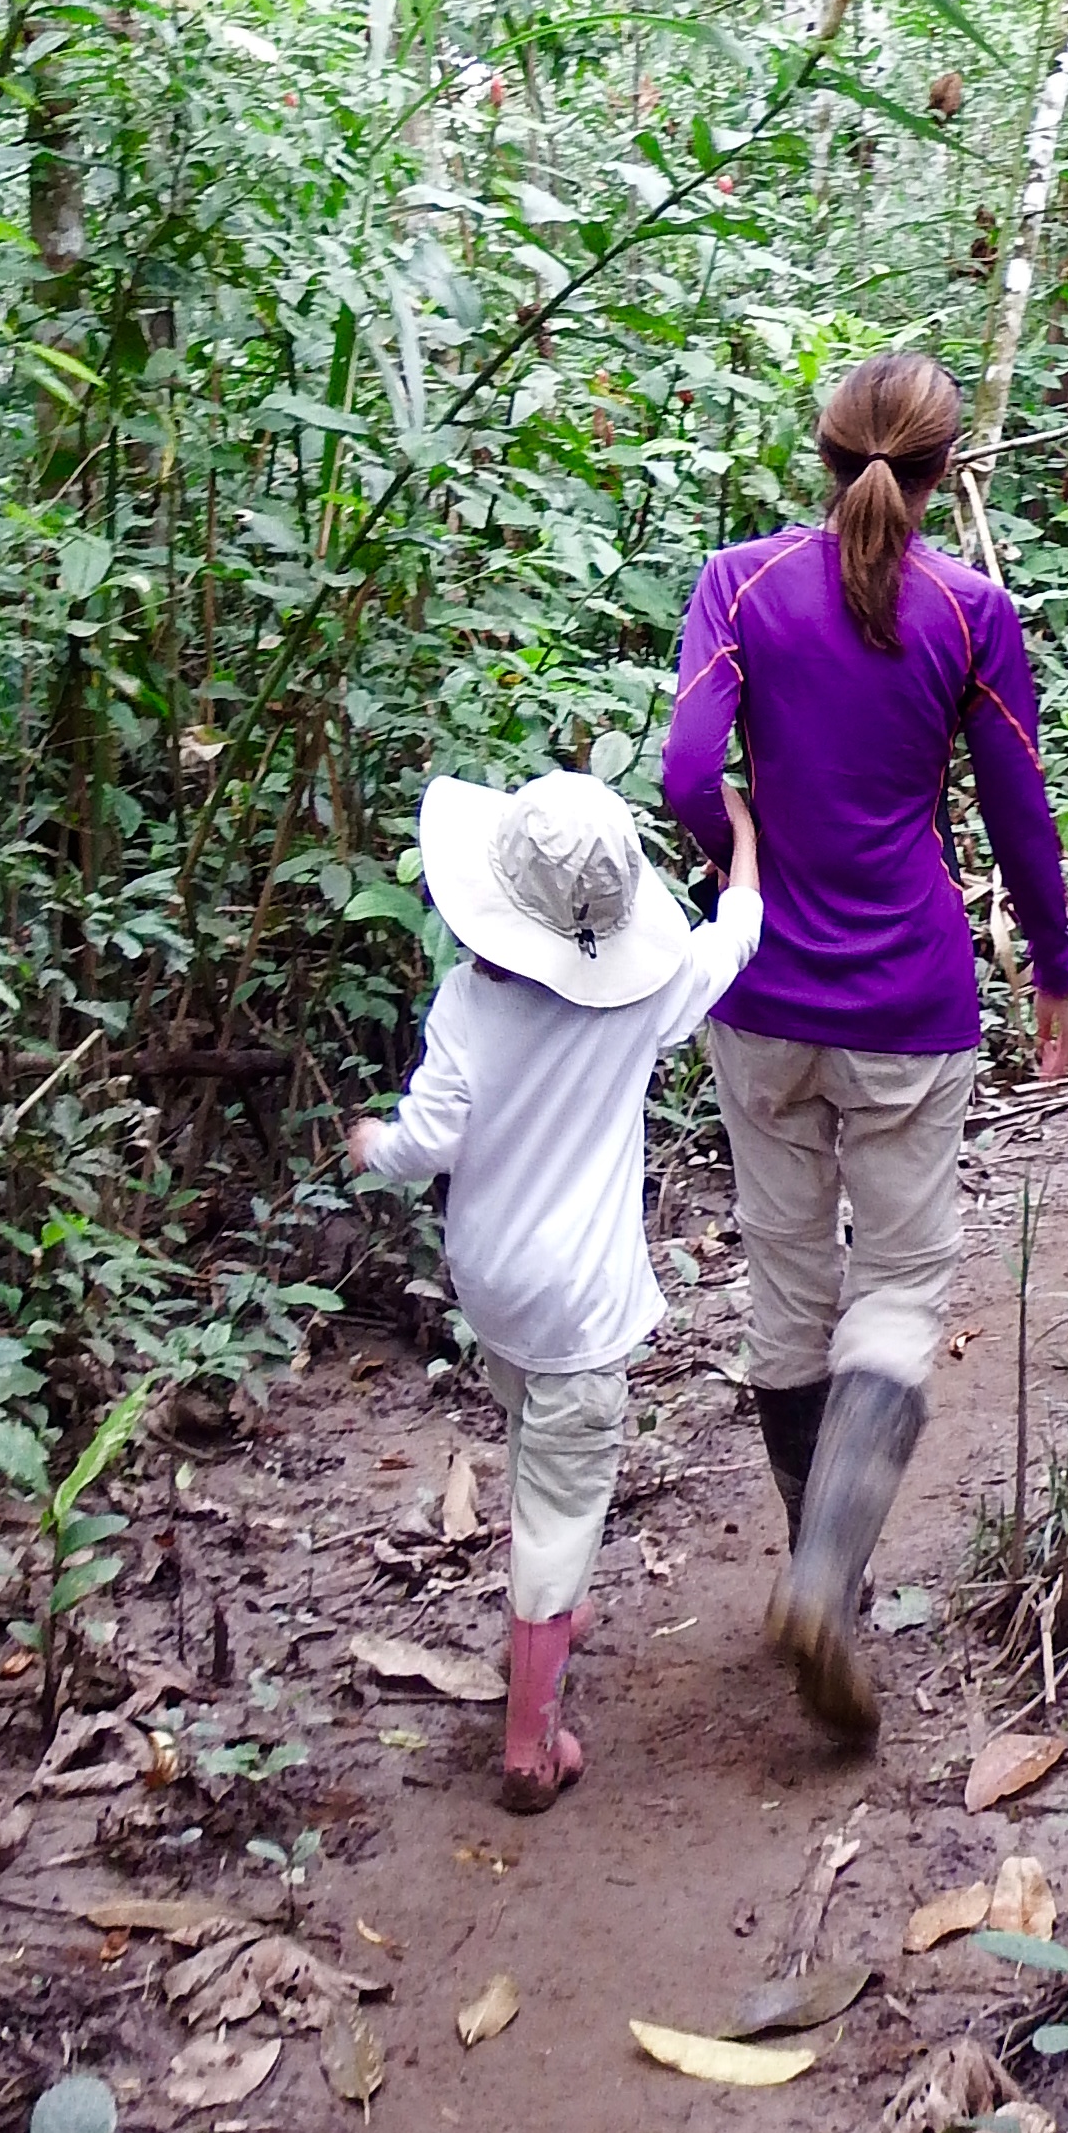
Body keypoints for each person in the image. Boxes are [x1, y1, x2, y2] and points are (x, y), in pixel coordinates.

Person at [661, 349, 1068, 1748]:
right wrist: (1056, 978)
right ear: (949, 468)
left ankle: (814, 1564)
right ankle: (827, 1575)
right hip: (910, 993)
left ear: (821, 455)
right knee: (897, 1284)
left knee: (788, 1281)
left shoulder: (737, 585)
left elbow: (680, 770)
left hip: (759, 988)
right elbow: (1021, 809)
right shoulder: (974, 611)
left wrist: (740, 864)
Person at [348, 768, 762, 1813]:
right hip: (580, 1300)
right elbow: (731, 939)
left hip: (488, 1283)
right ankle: (531, 1741)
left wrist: (377, 1145)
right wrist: (743, 846)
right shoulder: (639, 1003)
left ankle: (550, 1608)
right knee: (565, 1492)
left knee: (530, 1426)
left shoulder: (465, 1004)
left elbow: (429, 1137)